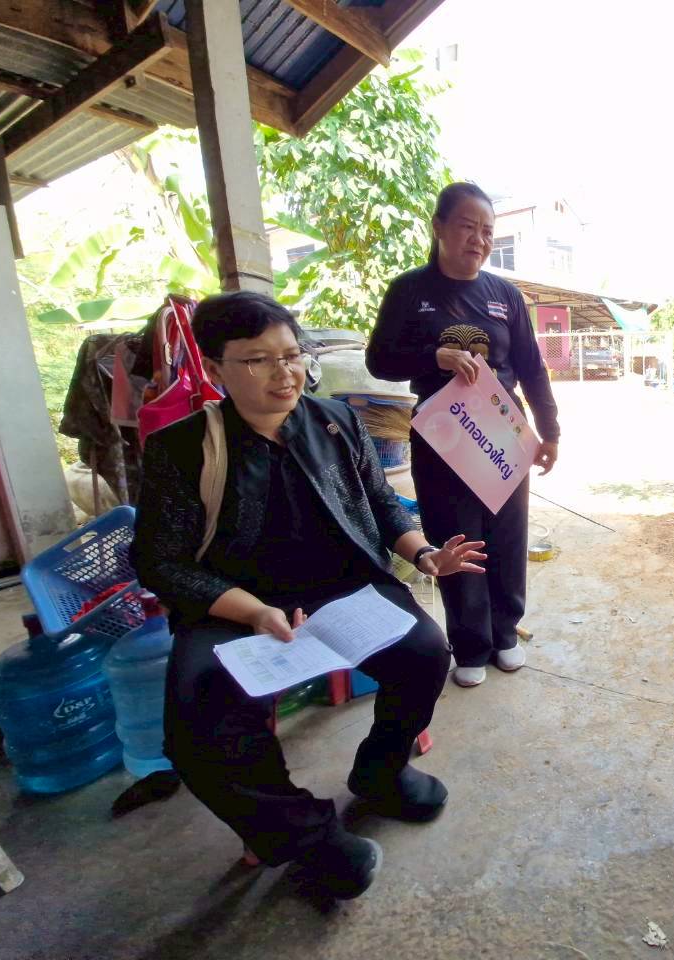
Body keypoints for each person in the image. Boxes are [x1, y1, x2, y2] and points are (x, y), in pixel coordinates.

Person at [132, 291, 486, 901]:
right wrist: (251, 610)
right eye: (258, 360)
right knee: (198, 723)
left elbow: (378, 505)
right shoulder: (182, 448)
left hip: (339, 588)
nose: (284, 372)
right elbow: (158, 561)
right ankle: (306, 836)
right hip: (235, 605)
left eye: (292, 355)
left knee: (426, 651)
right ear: (215, 371)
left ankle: (380, 773)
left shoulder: (335, 419)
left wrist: (425, 554)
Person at [367, 181, 561, 688]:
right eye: (467, 226)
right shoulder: (409, 291)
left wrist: (550, 431)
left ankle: (505, 634)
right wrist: (433, 356)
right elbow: (379, 360)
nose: (479, 239)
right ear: (439, 228)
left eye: (488, 231)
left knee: (507, 536)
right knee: (456, 535)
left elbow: (532, 368)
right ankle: (470, 644)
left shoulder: (504, 296)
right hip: (442, 433)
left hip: (501, 431)